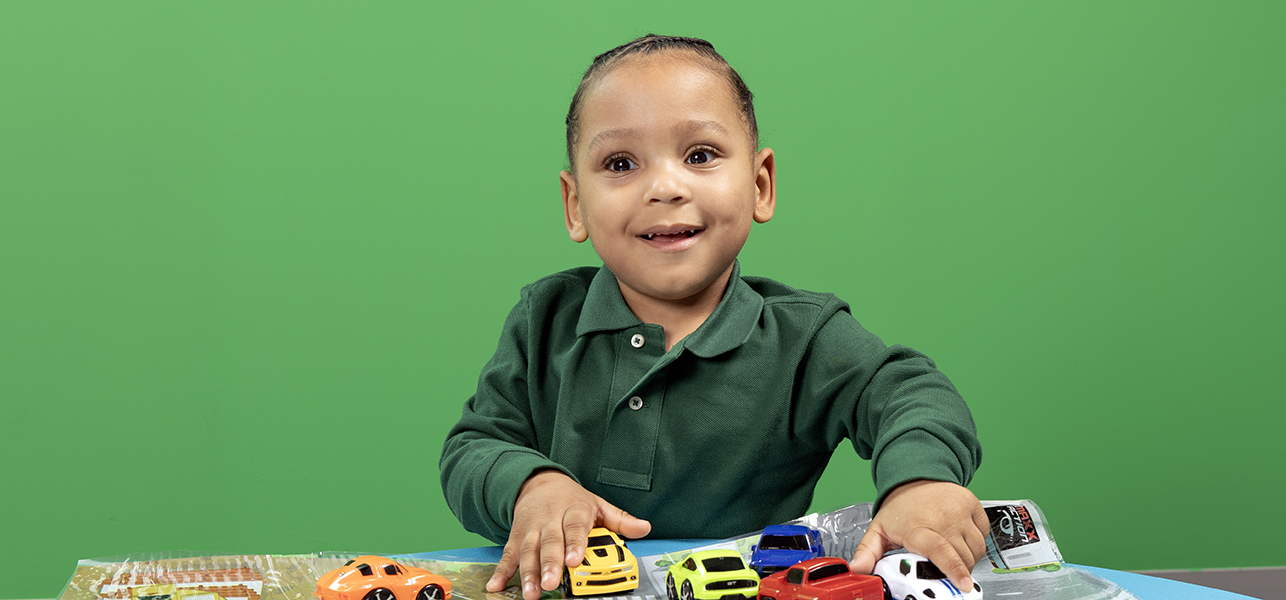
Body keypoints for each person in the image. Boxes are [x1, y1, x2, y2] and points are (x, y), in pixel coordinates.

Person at [439, 34, 987, 600]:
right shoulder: (545, 319)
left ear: (759, 185)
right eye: (620, 163)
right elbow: (472, 450)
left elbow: (913, 394)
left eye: (699, 155)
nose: (664, 188)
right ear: (575, 204)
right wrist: (533, 486)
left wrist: (920, 482)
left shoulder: (804, 339)